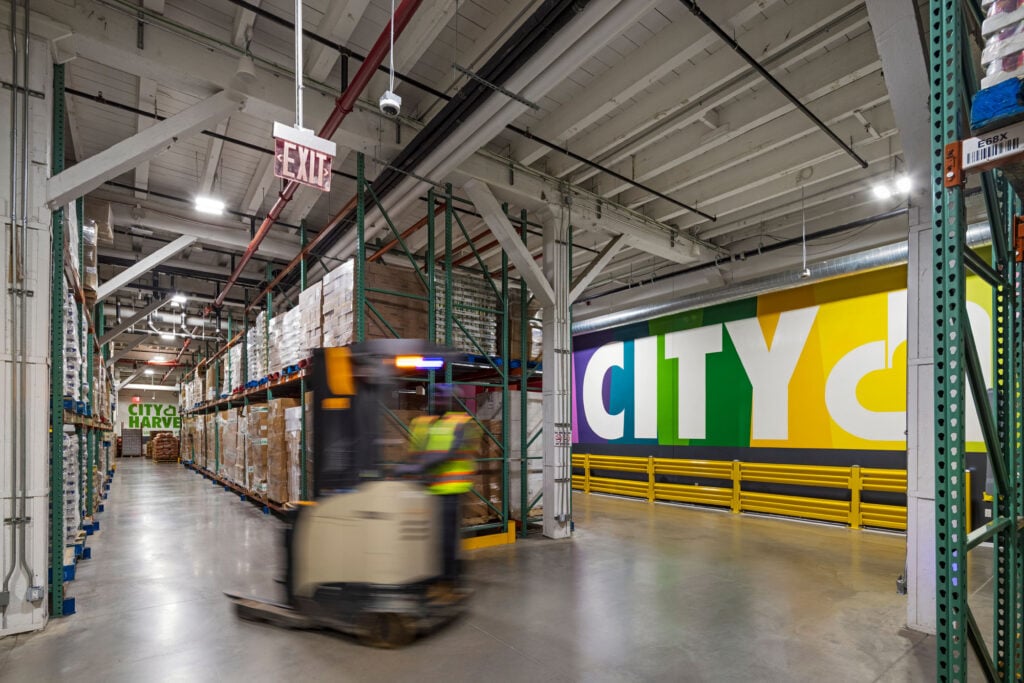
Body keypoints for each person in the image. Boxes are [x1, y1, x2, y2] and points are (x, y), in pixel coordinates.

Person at [408, 408, 479, 583]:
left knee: (447, 535)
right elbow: (416, 451)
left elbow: (452, 451)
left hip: (451, 489)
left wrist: (420, 466)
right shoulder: (425, 423)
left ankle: (449, 576)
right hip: (429, 488)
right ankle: (439, 571)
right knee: (433, 535)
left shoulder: (461, 423)